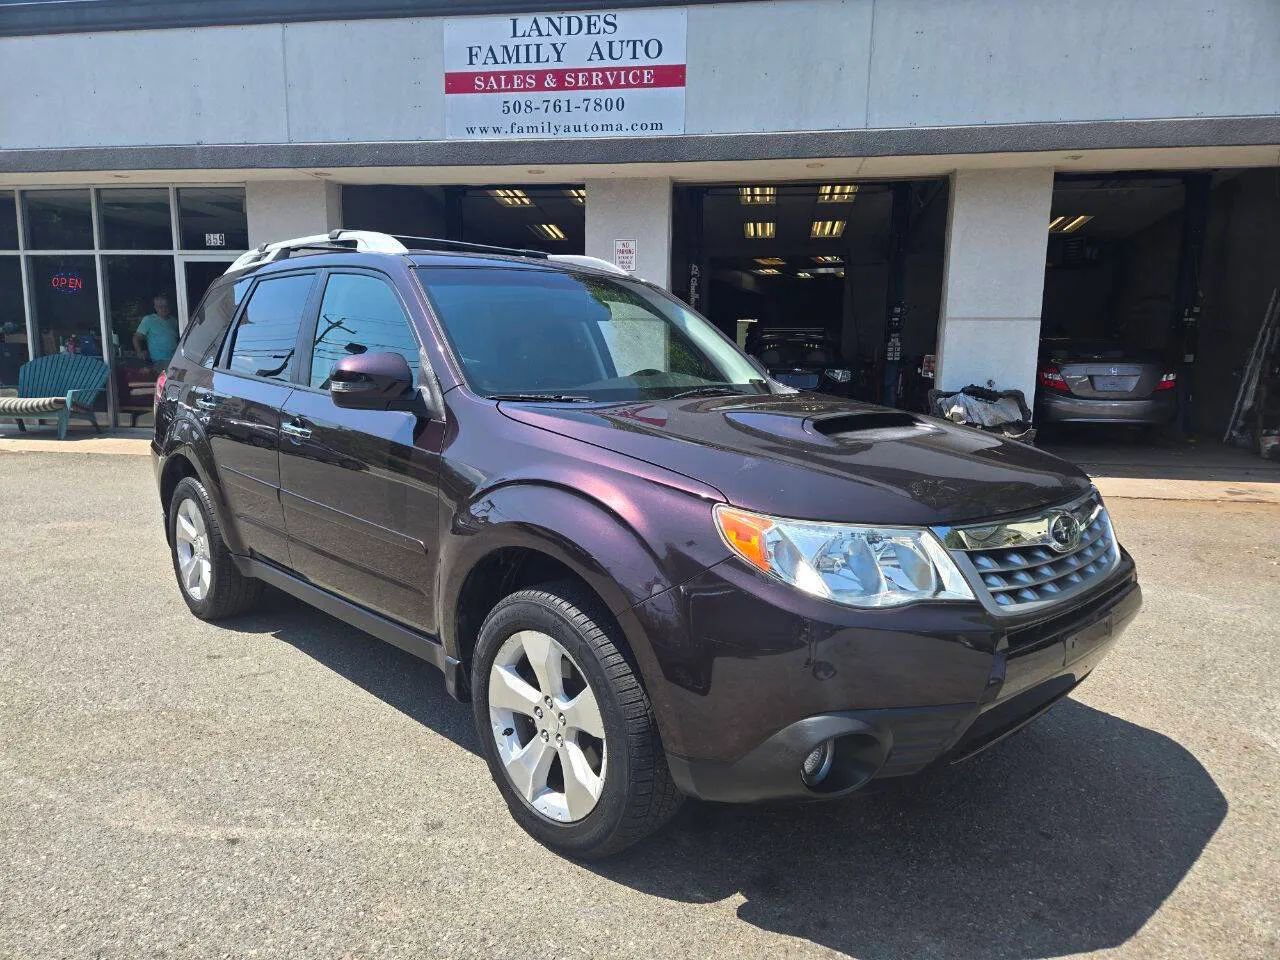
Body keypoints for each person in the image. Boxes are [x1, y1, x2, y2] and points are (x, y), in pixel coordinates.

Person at [133, 293, 179, 366]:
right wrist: (139, 352)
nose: (164, 309)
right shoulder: (148, 320)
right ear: (155, 307)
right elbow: (136, 338)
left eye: (166, 306)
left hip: (176, 360)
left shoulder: (174, 321)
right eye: (160, 306)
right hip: (159, 362)